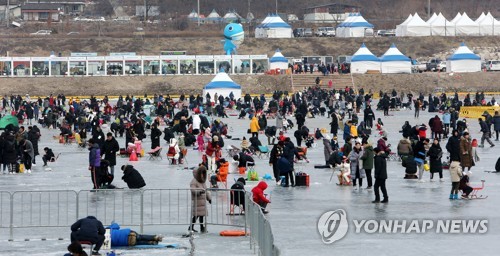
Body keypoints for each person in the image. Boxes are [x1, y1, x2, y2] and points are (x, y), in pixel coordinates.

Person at [189, 165, 211, 233]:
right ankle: (191, 227)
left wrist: (209, 198)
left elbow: (206, 190)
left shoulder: (202, 181)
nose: (202, 175)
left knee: (202, 216)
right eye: (200, 173)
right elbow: (193, 190)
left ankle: (202, 228)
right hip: (197, 201)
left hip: (203, 201)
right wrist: (199, 191)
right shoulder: (194, 181)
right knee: (196, 216)